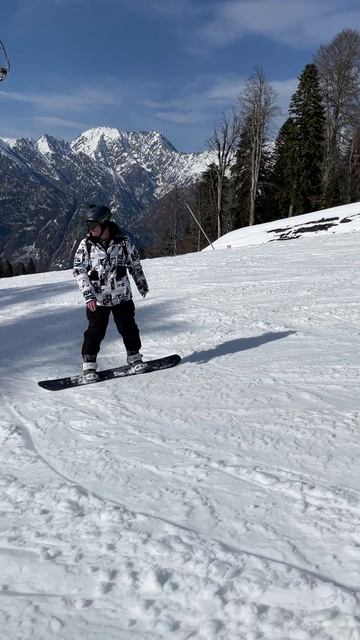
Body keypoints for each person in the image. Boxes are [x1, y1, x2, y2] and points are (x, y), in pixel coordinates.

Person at [73, 204, 149, 381]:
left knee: (129, 328)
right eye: (88, 226)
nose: (90, 230)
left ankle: (134, 357)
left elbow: (134, 264)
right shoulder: (86, 245)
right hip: (98, 299)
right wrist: (88, 294)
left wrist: (141, 284)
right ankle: (89, 366)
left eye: (93, 226)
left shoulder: (123, 242)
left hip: (122, 296)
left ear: (105, 224)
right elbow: (79, 270)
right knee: (95, 332)